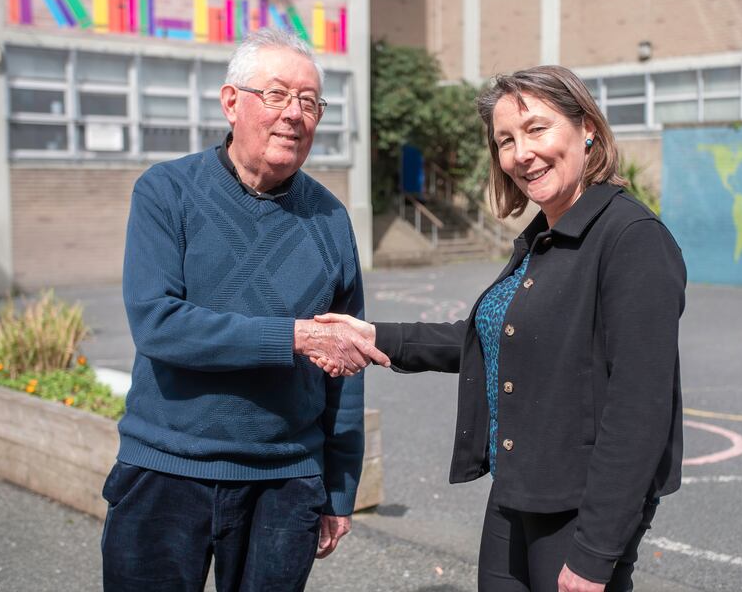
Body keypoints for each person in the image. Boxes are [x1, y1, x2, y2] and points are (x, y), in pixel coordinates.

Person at [314, 65, 686, 592]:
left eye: (537, 129)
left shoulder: (631, 239)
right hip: (517, 493)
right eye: (505, 141)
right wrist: (375, 338)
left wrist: (595, 555)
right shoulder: (545, 236)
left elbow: (640, 411)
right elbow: (491, 336)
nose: (520, 154)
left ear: (588, 130)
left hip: (578, 511)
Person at [101, 29, 389, 592]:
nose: (294, 114)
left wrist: (339, 487)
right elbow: (159, 324)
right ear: (231, 102)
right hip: (165, 468)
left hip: (286, 482)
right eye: (277, 95)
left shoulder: (331, 219)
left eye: (309, 102)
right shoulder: (167, 192)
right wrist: (293, 338)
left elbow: (346, 362)